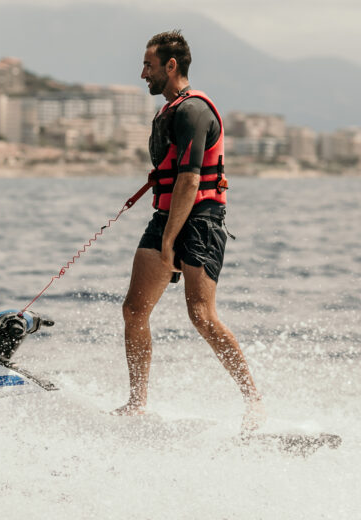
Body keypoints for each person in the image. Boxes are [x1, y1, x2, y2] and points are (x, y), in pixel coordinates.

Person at [113, 30, 265, 434]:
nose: (143, 73)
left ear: (171, 65)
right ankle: (137, 403)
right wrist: (163, 233)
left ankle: (254, 402)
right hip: (166, 218)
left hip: (200, 222)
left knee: (201, 315)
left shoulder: (193, 111)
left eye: (149, 65)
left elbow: (190, 179)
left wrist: (169, 241)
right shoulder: (168, 111)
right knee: (134, 310)